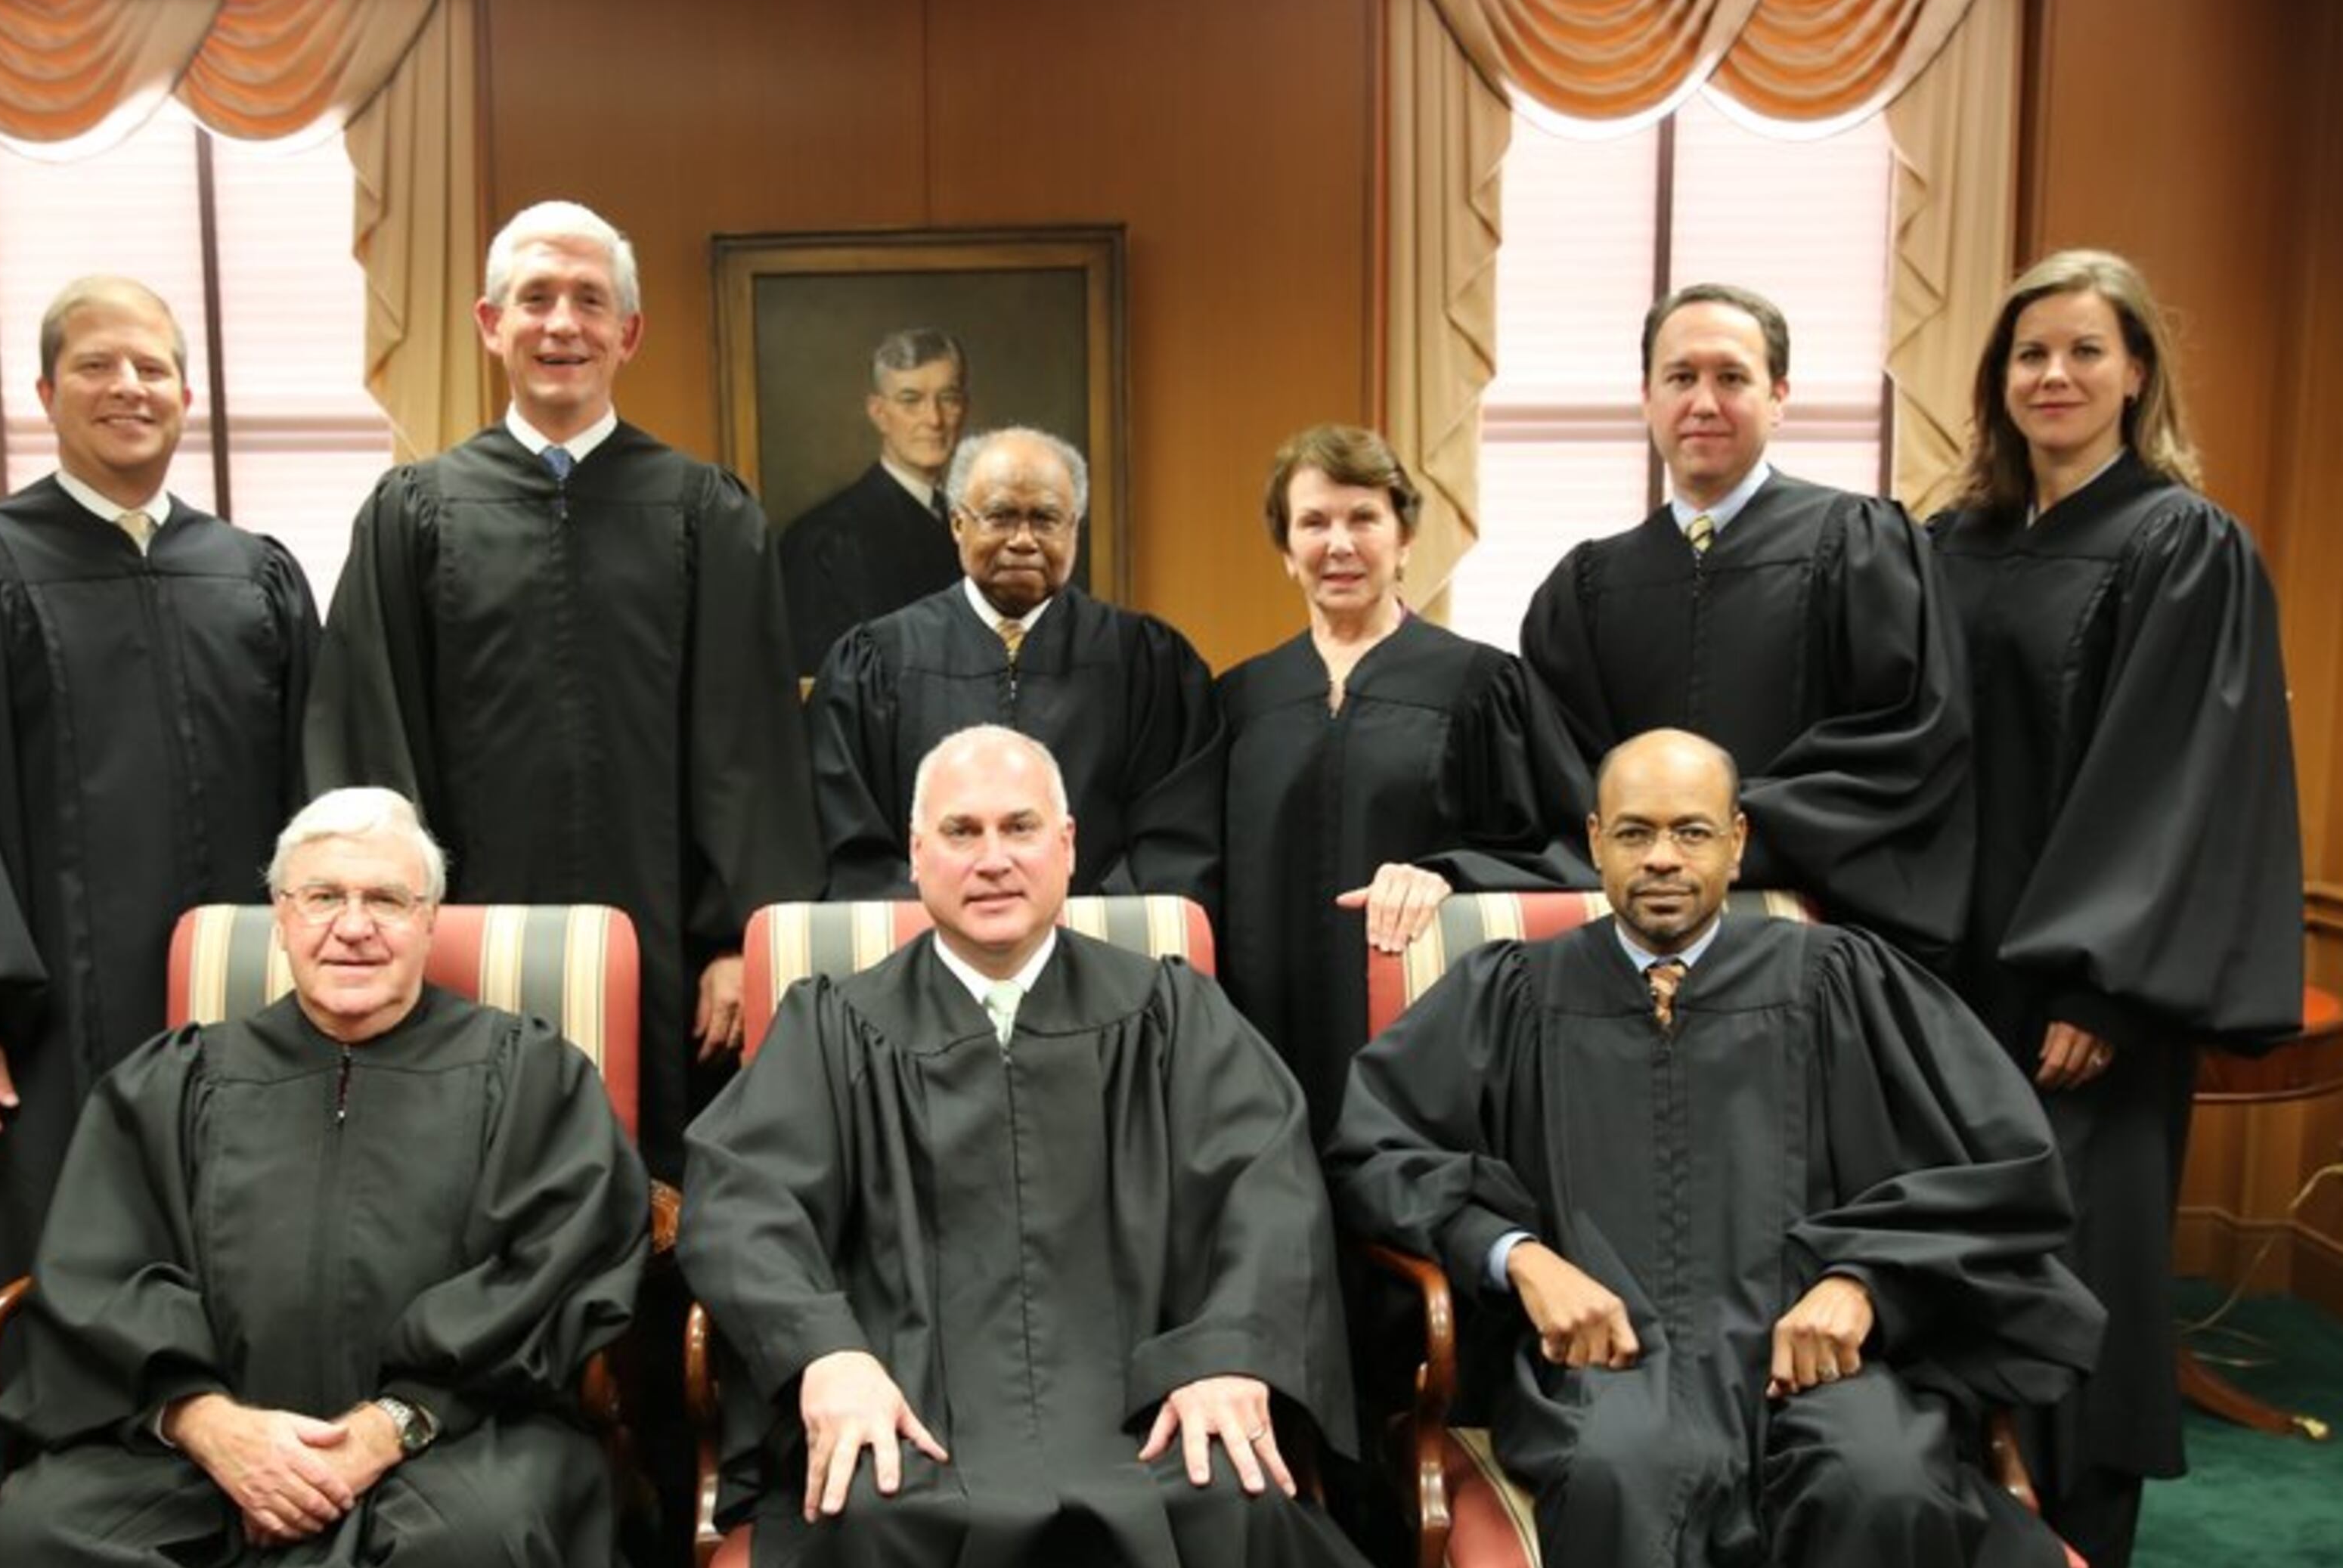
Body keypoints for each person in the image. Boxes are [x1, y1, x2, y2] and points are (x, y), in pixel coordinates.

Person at [1328, 729, 2102, 1568]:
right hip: (1606, 1366)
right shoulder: (1511, 994)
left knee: (1883, 1484)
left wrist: (1865, 1284)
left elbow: (2000, 1171)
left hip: (1818, 1364)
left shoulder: (1841, 980)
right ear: (1594, 842)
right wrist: (1517, 1258)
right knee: (1623, 1478)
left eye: (1691, 832)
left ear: (1737, 842)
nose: (1662, 858)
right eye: (1634, 833)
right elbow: (1373, 1154)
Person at [0, 274, 318, 1491]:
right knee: (64, 1266)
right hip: (48, 1021)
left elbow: (320, 793)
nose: (127, 388)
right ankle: (63, 1528)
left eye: (150, 367)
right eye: (96, 366)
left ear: (188, 393)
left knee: (258, 1255)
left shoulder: (257, 574)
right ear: (44, 393)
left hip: (244, 1012)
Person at [681, 725, 1381, 1568]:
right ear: (915, 852)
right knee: (869, 1513)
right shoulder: (833, 1028)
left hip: (1153, 1420)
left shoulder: (1170, 1013)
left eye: (1019, 827)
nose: (993, 859)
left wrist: (1229, 1355)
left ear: (1068, 844)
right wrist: (828, 1357)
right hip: (908, 1421)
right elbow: (741, 1201)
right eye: (961, 832)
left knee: (1227, 1499)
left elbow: (1268, 1188)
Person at [0, 787, 650, 1568]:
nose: (353, 927)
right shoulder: (174, 1082)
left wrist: (390, 1427)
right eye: (322, 898)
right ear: (282, 917)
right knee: (33, 1542)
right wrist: (213, 1427)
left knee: (477, 1547)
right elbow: (102, 1277)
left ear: (428, 921)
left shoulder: (530, 1077)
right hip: (201, 1452)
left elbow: (555, 1269)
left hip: (453, 1436)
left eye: (385, 898)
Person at [305, 199, 820, 1176]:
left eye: (590, 300)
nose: (562, 324)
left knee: (666, 1186)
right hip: (465, 943)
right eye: (535, 298)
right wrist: (387, 927)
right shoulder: (415, 516)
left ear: (627, 334)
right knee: (470, 1177)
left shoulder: (706, 512)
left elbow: (750, 749)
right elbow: (371, 741)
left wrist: (737, 942)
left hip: (671, 956)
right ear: (489, 324)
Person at [1932, 248, 2304, 1568]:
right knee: (1946, 1265)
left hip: (2087, 1002)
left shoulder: (2180, 545)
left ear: (2137, 372)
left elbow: (2179, 787)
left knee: (2078, 1278)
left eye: (2087, 351)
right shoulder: (1952, 541)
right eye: (2032, 353)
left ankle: (2076, 1555)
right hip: (1950, 983)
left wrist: (2100, 986)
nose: (2056, 375)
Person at [1521, 284, 1972, 965]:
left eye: (1732, 377)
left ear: (1779, 396)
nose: (1704, 402)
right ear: (1648, 397)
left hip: (1814, 936)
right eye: (1680, 378)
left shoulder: (1862, 548)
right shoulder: (1586, 588)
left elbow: (1907, 741)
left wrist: (1726, 834)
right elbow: (1558, 765)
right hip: (1636, 945)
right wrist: (1662, 847)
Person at [1218, 424, 1593, 1145]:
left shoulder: (1482, 686)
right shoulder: (1241, 702)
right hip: (1263, 1048)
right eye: (1314, 522)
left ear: (1405, 538)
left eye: (1364, 518)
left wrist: (1449, 874)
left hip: (1427, 1037)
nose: (1340, 544)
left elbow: (1569, 849)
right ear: (1286, 551)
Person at [806, 427, 1224, 916]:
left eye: (1046, 519)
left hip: (1105, 966)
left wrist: (1080, 942)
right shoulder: (875, 662)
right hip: (923, 964)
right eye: (1001, 517)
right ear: (959, 524)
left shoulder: (1147, 663)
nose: (1023, 541)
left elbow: (1174, 843)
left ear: (1074, 529)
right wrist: (952, 937)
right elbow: (852, 846)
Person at [779, 328, 975, 683]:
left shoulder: (973, 524)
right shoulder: (825, 540)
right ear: (879, 413)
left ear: (965, 406)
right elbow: (824, 688)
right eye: (911, 399)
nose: (934, 419)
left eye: (948, 397)